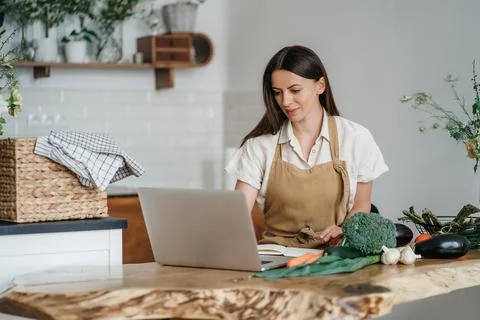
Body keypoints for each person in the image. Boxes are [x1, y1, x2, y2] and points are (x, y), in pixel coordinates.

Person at [225, 45, 389, 248]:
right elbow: (237, 214)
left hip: (334, 257)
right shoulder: (259, 147)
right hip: (276, 260)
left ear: (320, 85)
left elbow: (361, 205)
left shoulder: (356, 138)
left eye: (295, 90)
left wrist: (344, 228)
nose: (285, 101)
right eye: (277, 92)